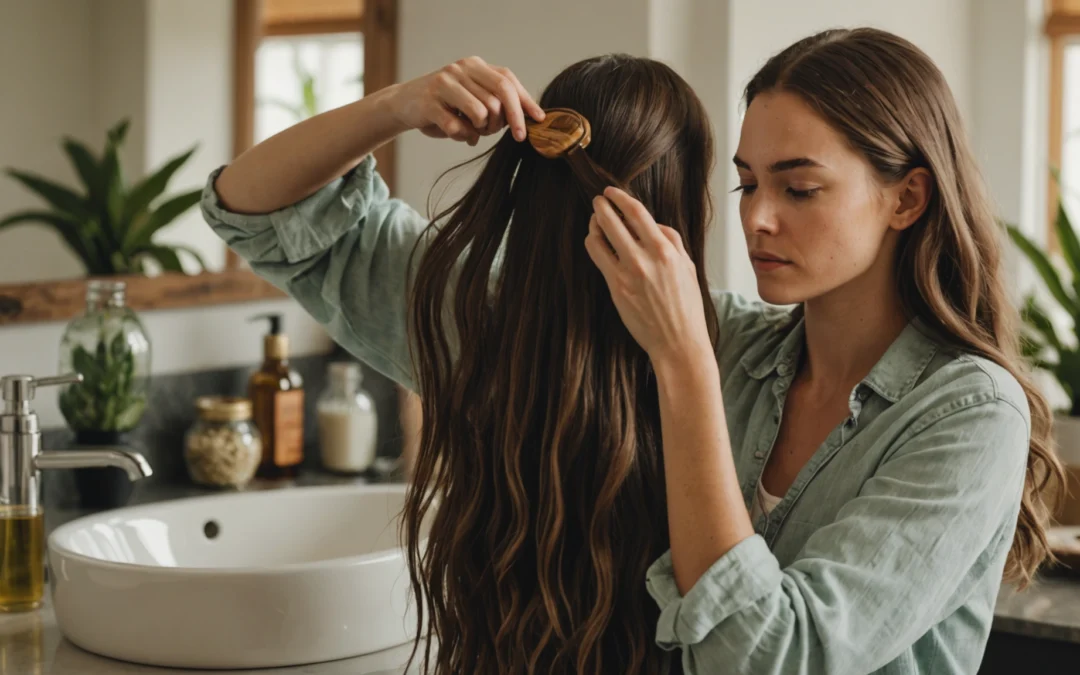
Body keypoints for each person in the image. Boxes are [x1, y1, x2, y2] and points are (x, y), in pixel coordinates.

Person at [201, 29, 1064, 675]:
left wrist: (682, 361)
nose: (758, 218)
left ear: (907, 197)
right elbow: (261, 212)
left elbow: (769, 655)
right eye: (748, 182)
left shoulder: (966, 413)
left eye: (799, 187)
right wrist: (395, 107)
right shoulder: (720, 343)